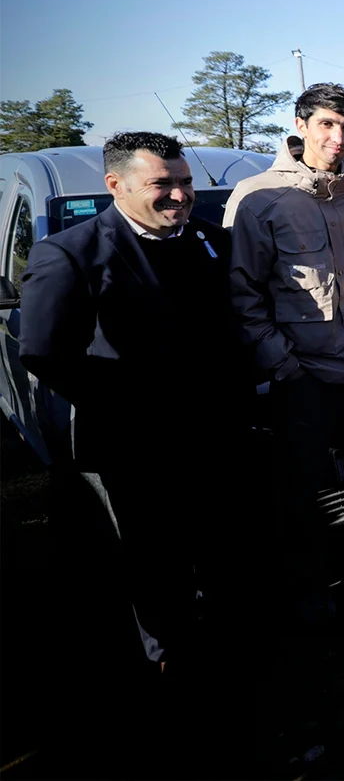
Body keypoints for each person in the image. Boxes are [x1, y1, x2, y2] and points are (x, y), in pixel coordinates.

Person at [20, 131, 254, 773]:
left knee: (221, 552)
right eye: (162, 184)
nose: (179, 194)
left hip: (215, 438)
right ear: (115, 185)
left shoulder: (212, 240)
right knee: (153, 567)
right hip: (132, 448)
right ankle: (168, 679)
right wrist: (139, 401)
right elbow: (43, 352)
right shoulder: (69, 253)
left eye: (184, 182)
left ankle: (228, 665)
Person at [225, 82, 344, 621]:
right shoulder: (258, 198)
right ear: (301, 125)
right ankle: (311, 587)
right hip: (305, 378)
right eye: (327, 124)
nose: (338, 137)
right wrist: (284, 366)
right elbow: (243, 296)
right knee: (302, 493)